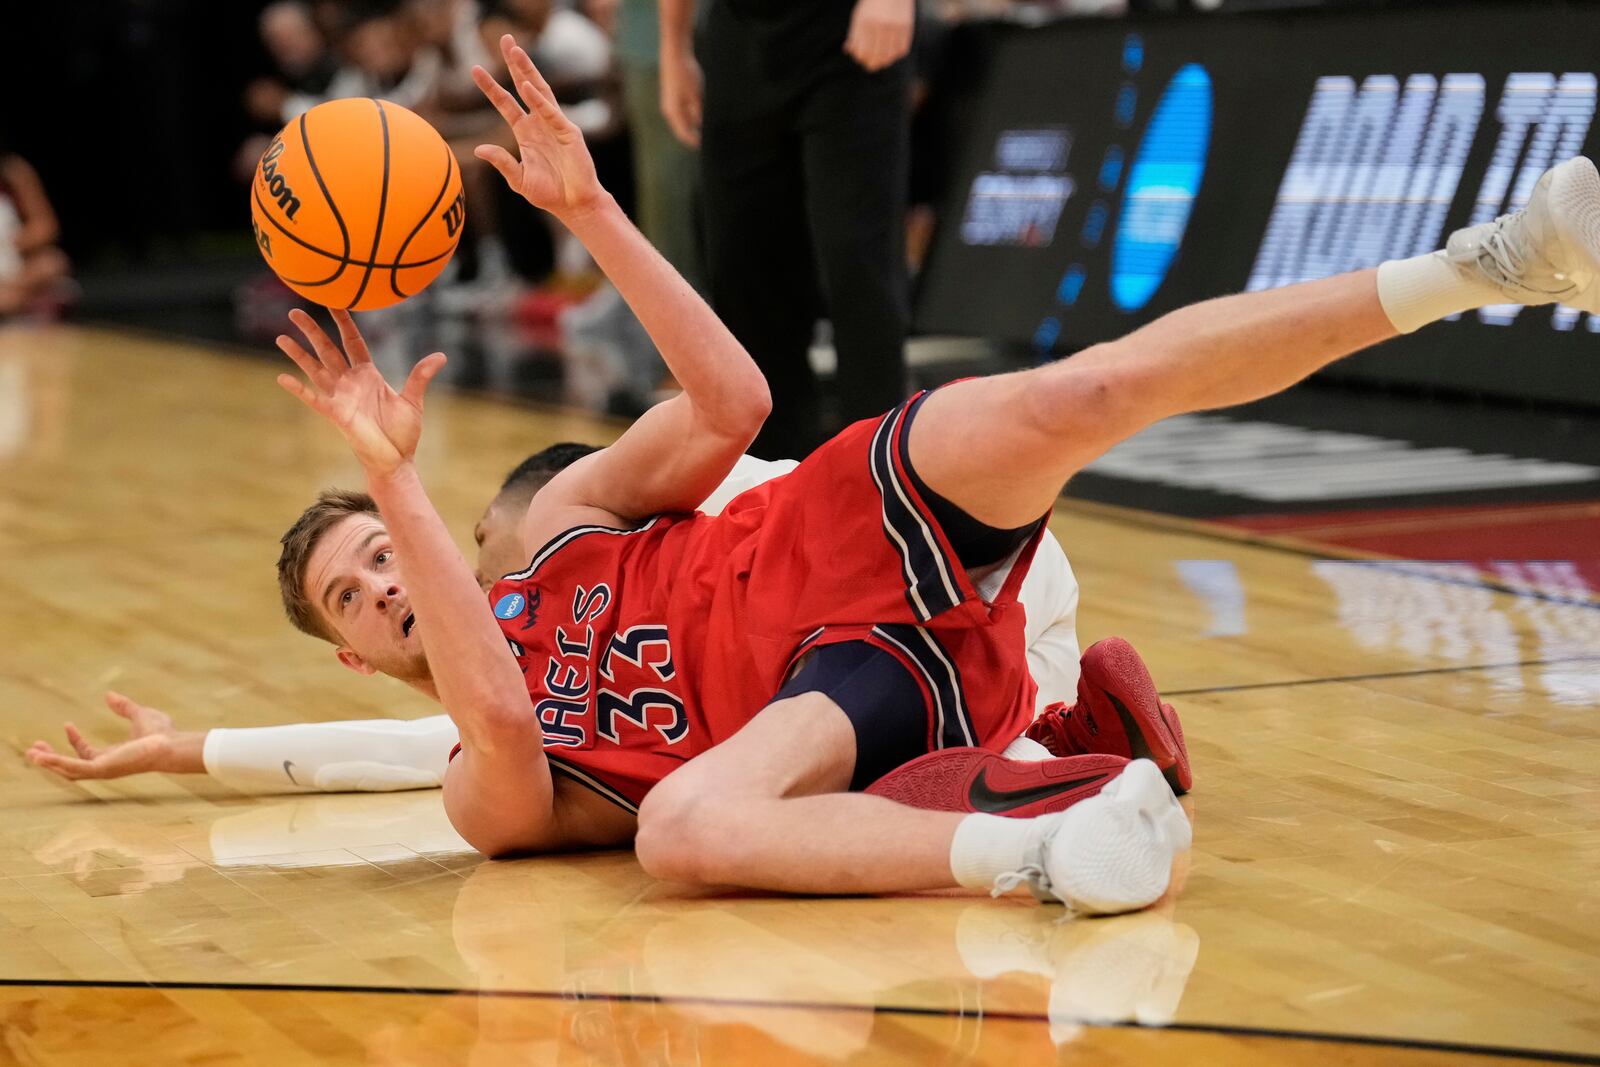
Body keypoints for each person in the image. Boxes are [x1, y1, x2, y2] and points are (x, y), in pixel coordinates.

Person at [30, 444, 1143, 803]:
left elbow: (736, 431)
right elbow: (415, 748)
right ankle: (1063, 728)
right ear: (350, 656)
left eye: (387, 553)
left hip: (945, 574)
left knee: (750, 795)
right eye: (350, 598)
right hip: (964, 588)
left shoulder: (549, 549)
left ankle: (1051, 738)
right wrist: (189, 749)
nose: (385, 587)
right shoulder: (493, 700)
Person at [660, 0, 915, 458]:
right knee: (741, 268)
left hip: (851, 40)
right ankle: (773, 473)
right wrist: (674, 49)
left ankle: (880, 477)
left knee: (856, 266)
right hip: (736, 40)